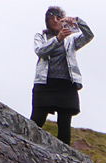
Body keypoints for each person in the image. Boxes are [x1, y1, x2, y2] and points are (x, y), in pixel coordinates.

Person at [31, 6, 94, 146]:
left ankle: (64, 159)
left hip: (66, 85)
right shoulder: (40, 37)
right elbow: (40, 51)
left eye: (58, 18)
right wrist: (58, 39)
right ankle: (26, 147)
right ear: (47, 21)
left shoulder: (71, 40)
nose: (55, 21)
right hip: (45, 84)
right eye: (51, 18)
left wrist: (77, 21)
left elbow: (89, 35)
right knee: (37, 119)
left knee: (65, 124)